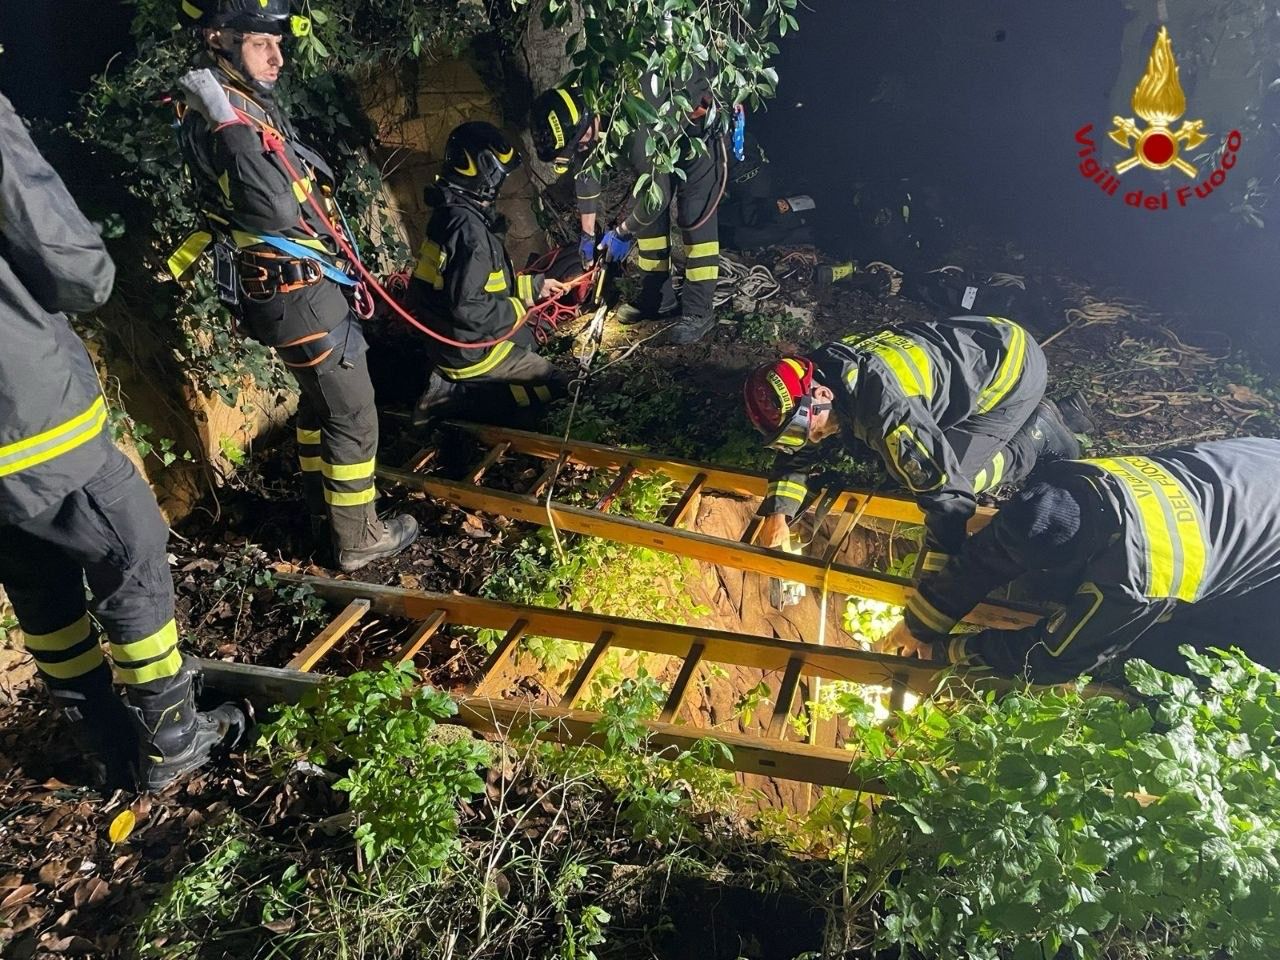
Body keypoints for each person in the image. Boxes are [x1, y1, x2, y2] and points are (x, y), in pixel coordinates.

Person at [0, 91, 245, 791]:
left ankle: (105, 743)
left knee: (36, 579)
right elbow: (74, 267)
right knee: (130, 549)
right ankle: (172, 739)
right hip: (27, 415)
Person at [175, 0, 418, 573]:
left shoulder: (241, 102)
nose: (277, 57)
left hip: (294, 290)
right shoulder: (222, 114)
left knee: (319, 405)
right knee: (354, 415)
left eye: (279, 43)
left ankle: (321, 515)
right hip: (299, 292)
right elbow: (274, 207)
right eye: (261, 43)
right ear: (218, 38)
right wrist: (228, 122)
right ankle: (359, 538)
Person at [877, 439, 1280, 684]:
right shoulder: (1076, 479)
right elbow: (992, 552)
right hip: (1255, 472)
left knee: (1154, 643)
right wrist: (920, 624)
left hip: (1243, 536)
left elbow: (1052, 659)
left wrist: (947, 653)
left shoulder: (1137, 579)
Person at [744, 316, 1093, 567]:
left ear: (822, 394)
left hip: (1010, 373)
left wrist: (933, 576)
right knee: (914, 460)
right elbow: (800, 450)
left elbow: (948, 497)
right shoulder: (822, 369)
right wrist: (779, 512)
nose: (814, 437)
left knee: (960, 476)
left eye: (806, 427)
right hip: (982, 336)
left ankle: (1038, 434)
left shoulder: (886, 413)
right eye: (796, 433)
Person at [408, 122, 572, 423]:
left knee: (527, 338)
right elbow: (469, 308)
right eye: (501, 177)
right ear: (486, 175)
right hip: (470, 351)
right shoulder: (471, 234)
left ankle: (448, 382)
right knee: (553, 382)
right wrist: (519, 306)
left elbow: (478, 286)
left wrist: (534, 287)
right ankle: (463, 400)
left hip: (446, 342)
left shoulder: (450, 215)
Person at [591, 66, 729, 345]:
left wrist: (622, 232)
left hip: (701, 133)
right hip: (665, 134)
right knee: (649, 219)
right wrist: (586, 233)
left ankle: (698, 311)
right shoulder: (595, 99)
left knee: (694, 218)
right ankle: (657, 299)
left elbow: (658, 199)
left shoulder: (632, 134)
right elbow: (586, 169)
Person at [529, 86, 605, 271]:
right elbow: (586, 173)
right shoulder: (583, 121)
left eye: (579, 146)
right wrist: (588, 234)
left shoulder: (634, 126)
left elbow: (658, 189)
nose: (582, 148)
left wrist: (624, 231)